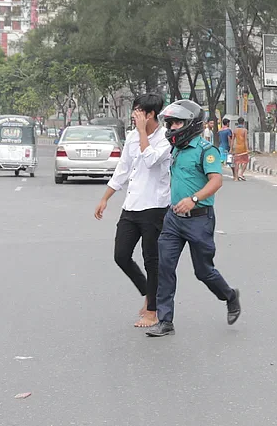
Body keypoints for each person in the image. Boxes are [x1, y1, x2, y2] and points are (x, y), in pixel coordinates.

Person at [145, 100, 241, 337]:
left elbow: (216, 181)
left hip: (199, 219)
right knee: (164, 267)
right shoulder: (175, 149)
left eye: (177, 123)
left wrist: (194, 199)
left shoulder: (206, 150)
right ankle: (165, 321)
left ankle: (229, 295)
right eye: (170, 123)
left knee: (203, 271)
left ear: (191, 124)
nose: (173, 128)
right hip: (174, 220)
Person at [94, 94, 171, 327]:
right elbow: (123, 168)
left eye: (138, 111)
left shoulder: (166, 139)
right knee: (121, 255)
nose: (134, 115)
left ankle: (152, 311)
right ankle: (149, 294)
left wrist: (142, 133)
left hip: (154, 207)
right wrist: (105, 198)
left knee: (152, 260)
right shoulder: (131, 137)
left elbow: (150, 161)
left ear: (151, 114)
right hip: (132, 205)